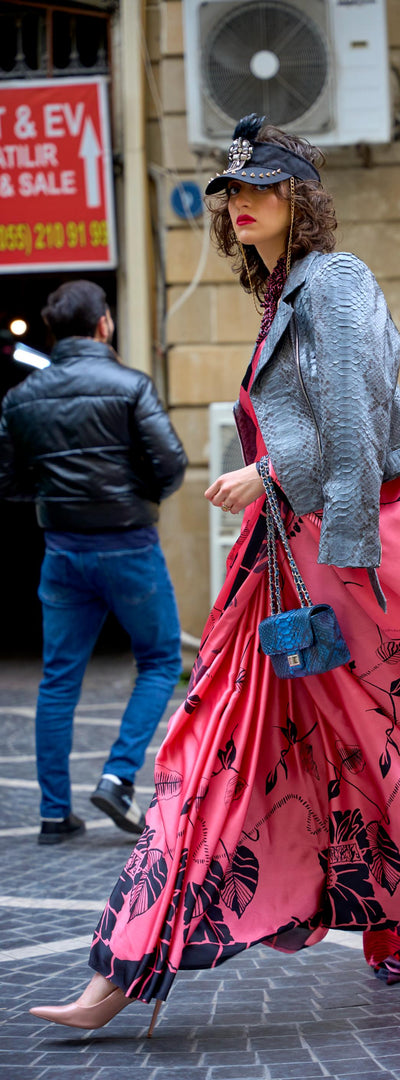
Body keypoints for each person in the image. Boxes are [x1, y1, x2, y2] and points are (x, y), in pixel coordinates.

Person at [27, 115, 400, 1036]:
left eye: (259, 187)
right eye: (232, 192)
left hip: (339, 556)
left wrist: (272, 475)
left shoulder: (333, 280)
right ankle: (123, 970)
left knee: (381, 752)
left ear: (301, 196)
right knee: (220, 741)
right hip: (287, 559)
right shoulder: (286, 291)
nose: (240, 203)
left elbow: (358, 418)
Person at [0, 280, 187, 844]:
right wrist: (132, 493)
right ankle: (117, 777)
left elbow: (8, 483)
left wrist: (58, 498)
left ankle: (54, 814)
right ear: (104, 324)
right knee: (158, 661)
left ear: (54, 331)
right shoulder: (130, 385)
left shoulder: (20, 398)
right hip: (129, 544)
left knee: (58, 679)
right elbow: (171, 466)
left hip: (63, 550)